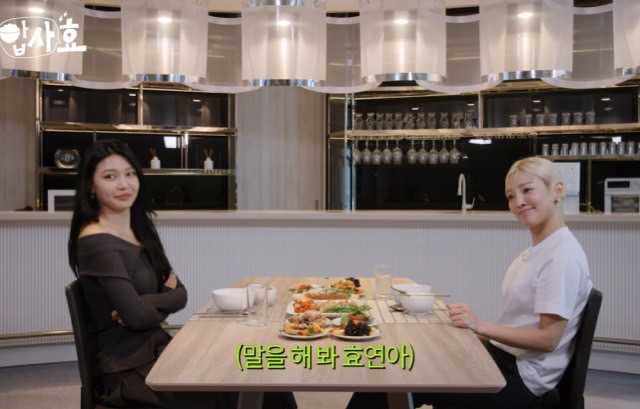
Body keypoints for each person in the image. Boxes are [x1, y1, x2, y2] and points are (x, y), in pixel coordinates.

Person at [347, 157, 593, 409]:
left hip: (520, 379)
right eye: (510, 196)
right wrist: (474, 332)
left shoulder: (561, 256)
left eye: (527, 190)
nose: (518, 202)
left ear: (557, 191)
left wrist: (479, 326)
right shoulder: (541, 250)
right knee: (402, 364)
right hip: (505, 359)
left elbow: (548, 339)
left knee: (385, 381)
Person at [68, 141, 297, 409]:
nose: (123, 184)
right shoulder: (96, 242)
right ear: (90, 186)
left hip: (161, 352)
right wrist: (148, 305)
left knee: (265, 373)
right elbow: (138, 317)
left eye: (129, 174)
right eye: (110, 177)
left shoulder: (141, 229)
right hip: (129, 372)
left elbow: (180, 295)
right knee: (251, 387)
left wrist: (143, 303)